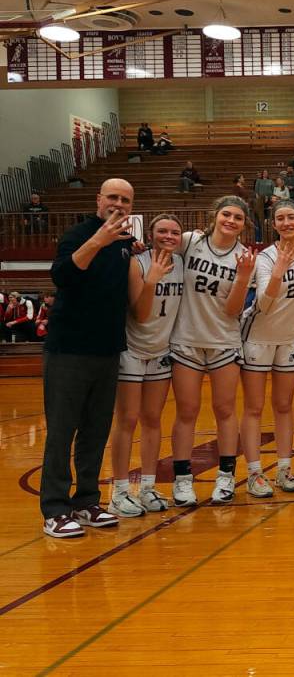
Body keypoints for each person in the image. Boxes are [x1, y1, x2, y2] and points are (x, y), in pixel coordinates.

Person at [40, 178, 135, 538]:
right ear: (99, 199)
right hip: (69, 350)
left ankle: (86, 502)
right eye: (112, 197)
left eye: (125, 199)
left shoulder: (126, 244)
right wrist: (98, 241)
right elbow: (62, 276)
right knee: (62, 432)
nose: (118, 203)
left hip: (107, 350)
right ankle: (55, 509)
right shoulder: (78, 234)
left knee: (96, 432)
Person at [168, 196, 257, 506]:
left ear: (245, 225)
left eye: (238, 218)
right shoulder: (191, 241)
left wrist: (244, 277)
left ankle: (226, 476)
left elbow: (234, 310)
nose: (230, 221)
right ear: (214, 215)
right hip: (187, 339)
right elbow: (162, 249)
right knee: (187, 411)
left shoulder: (244, 257)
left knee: (225, 410)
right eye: (226, 214)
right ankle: (182, 481)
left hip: (223, 341)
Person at [107, 214, 183, 517]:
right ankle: (120, 491)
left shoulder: (183, 265)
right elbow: (139, 313)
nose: (168, 236)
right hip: (132, 350)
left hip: (161, 350)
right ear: (150, 235)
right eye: (162, 231)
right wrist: (151, 279)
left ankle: (149, 486)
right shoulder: (136, 264)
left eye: (174, 232)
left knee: (153, 419)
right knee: (127, 420)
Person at [239, 200, 294, 494]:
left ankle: (284, 469)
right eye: (280, 219)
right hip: (258, 336)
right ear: (273, 225)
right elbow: (265, 304)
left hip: (289, 339)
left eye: (291, 217)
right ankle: (255, 474)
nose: (286, 223)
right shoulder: (266, 258)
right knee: (254, 408)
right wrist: (278, 272)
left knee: (285, 406)